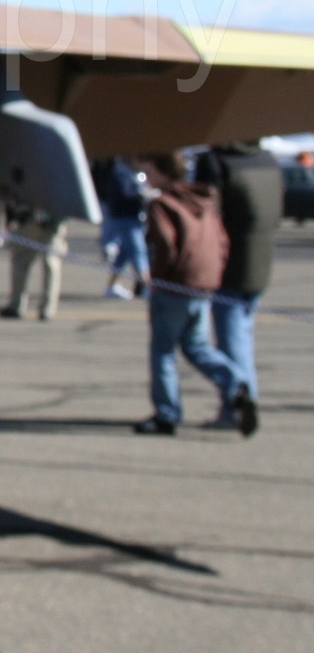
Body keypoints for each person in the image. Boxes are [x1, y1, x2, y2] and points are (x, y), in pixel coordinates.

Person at [135, 152, 255, 436]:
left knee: (163, 350)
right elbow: (222, 241)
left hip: (174, 286)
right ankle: (236, 382)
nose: (146, 177)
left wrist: (158, 276)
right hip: (203, 284)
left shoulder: (162, 203)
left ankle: (166, 414)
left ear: (162, 171)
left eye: (148, 171)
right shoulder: (204, 201)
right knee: (197, 346)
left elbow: (165, 244)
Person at [195, 143, 281, 424]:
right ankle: (243, 401)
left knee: (231, 339)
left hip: (229, 264)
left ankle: (236, 406)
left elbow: (207, 215)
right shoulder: (267, 160)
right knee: (242, 336)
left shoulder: (215, 162)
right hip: (261, 261)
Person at [0, 203, 68, 320]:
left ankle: (17, 305)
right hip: (50, 219)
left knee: (24, 262)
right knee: (50, 264)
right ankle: (47, 308)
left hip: (32, 218)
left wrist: (11, 217)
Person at [96, 156, 150, 299]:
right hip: (124, 217)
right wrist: (141, 194)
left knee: (123, 254)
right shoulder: (120, 171)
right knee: (138, 251)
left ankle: (112, 286)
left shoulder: (130, 171)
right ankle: (147, 287)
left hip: (130, 216)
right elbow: (124, 193)